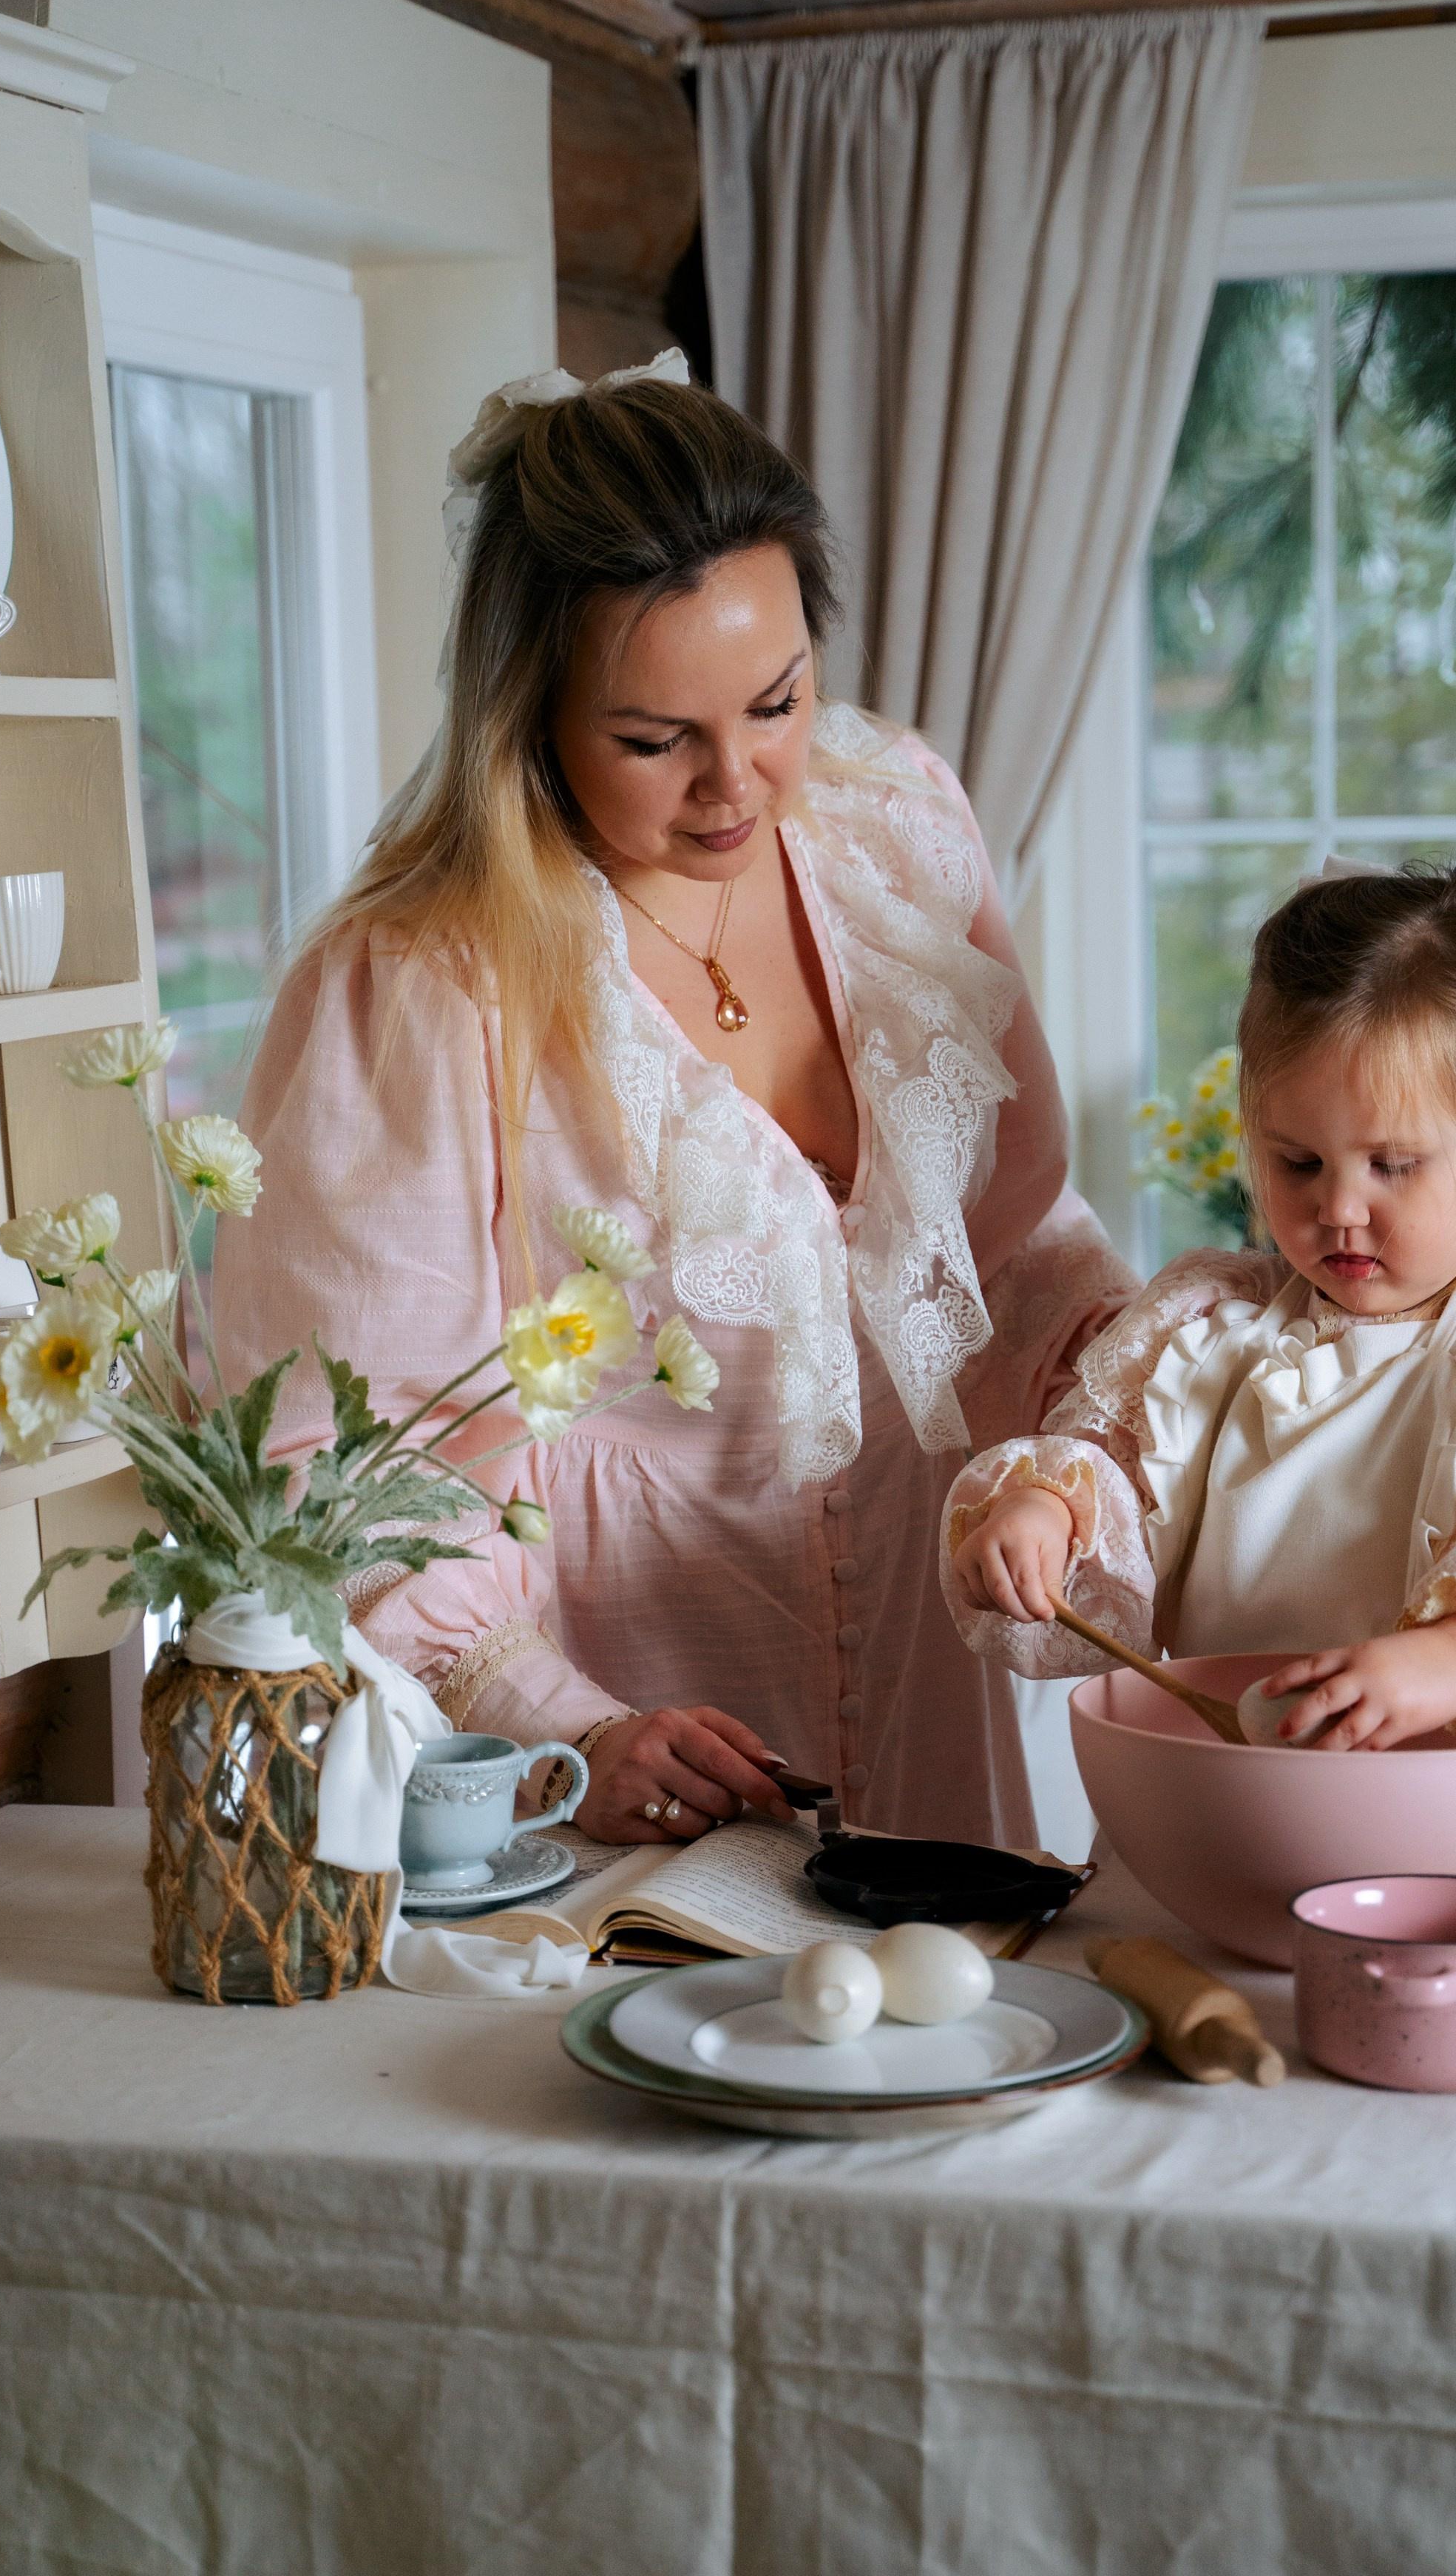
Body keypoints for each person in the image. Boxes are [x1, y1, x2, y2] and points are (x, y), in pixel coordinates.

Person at [214, 351, 1136, 1850]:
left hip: (925, 1642)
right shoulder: (425, 977)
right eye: (655, 741)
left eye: (776, 702)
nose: (738, 785)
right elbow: (345, 1454)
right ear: (527, 713)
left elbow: (1019, 1242)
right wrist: (560, 1722)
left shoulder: (896, 822)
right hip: (630, 1707)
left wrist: (1158, 1426)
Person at [945, 860, 1456, 1896]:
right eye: (1298, 1163)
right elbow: (1113, 1467)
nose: (1340, 1208)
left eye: (1392, 1165)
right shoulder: (1207, 1327)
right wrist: (1048, 1509)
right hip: (1233, 1827)